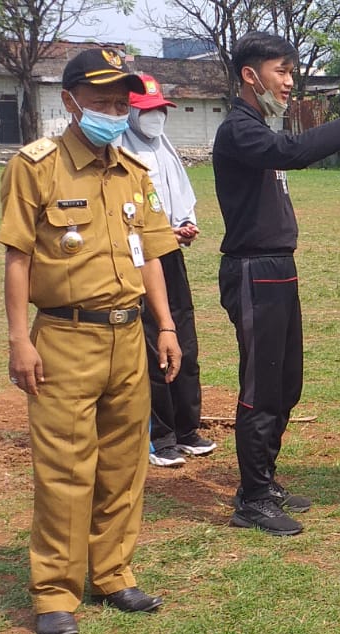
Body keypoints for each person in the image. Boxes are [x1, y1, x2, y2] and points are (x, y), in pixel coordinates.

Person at [0, 48, 181, 634]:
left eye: (120, 102)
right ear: (69, 100)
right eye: (100, 101)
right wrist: (18, 340)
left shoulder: (134, 170)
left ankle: (113, 573)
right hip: (63, 337)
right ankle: (55, 592)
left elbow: (152, 255)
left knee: (125, 465)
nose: (112, 111)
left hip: (128, 336)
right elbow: (18, 257)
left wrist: (167, 327)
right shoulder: (37, 166)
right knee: (64, 469)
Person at [212, 32, 340, 537]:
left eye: (289, 72)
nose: (287, 83)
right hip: (253, 270)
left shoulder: (256, 125)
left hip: (279, 268)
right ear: (250, 74)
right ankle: (252, 499)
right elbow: (296, 150)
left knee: (286, 382)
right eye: (281, 72)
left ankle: (265, 480)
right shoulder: (240, 129)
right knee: (260, 388)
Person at [117, 73, 213, 469]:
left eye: (159, 110)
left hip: (171, 256)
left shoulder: (165, 149)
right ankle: (160, 435)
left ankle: (188, 427)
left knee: (183, 338)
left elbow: (179, 198)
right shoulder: (119, 150)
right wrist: (161, 232)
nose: (155, 118)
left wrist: (184, 225)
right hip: (138, 259)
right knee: (153, 343)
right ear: (129, 112)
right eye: (146, 111)